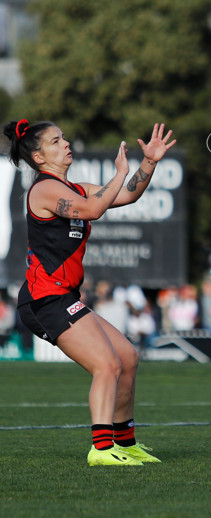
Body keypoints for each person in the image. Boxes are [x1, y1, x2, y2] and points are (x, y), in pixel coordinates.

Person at [3, 119, 176, 466]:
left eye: (64, 137)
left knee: (126, 358)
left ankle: (124, 444)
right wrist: (119, 173)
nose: (65, 143)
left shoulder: (75, 188)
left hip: (63, 297)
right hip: (43, 300)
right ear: (39, 156)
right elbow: (95, 208)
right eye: (56, 140)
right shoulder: (44, 190)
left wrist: (150, 162)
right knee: (107, 364)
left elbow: (126, 195)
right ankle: (100, 449)